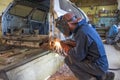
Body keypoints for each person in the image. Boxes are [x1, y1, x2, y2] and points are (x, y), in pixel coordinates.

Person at [56, 12, 115, 80]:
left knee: (68, 60)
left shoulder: (81, 33)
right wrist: (72, 43)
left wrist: (66, 47)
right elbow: (86, 44)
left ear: (69, 24)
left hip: (98, 66)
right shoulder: (84, 27)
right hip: (102, 63)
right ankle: (104, 76)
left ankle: (90, 78)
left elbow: (78, 57)